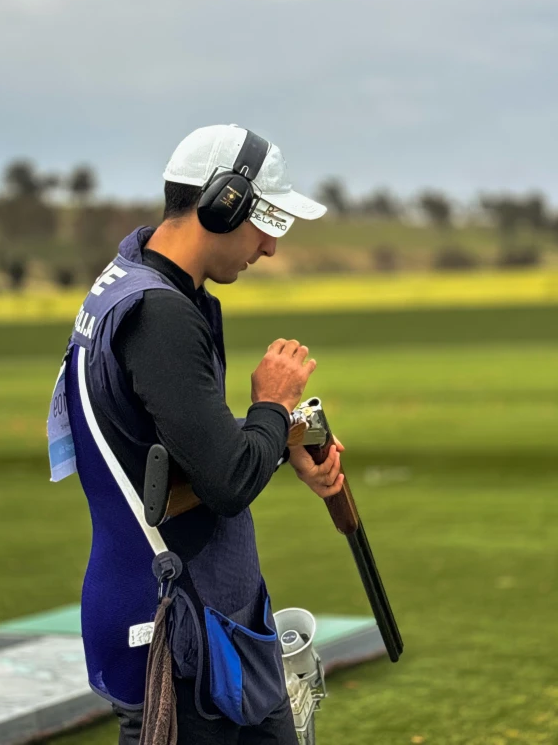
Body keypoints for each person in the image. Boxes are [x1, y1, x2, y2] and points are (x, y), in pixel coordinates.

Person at [48, 124, 345, 744]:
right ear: (224, 203)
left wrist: (285, 439)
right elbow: (227, 479)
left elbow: (187, 443)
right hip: (175, 626)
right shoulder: (160, 315)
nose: (269, 248)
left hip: (201, 610)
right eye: (269, 223)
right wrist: (272, 403)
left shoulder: (141, 280)